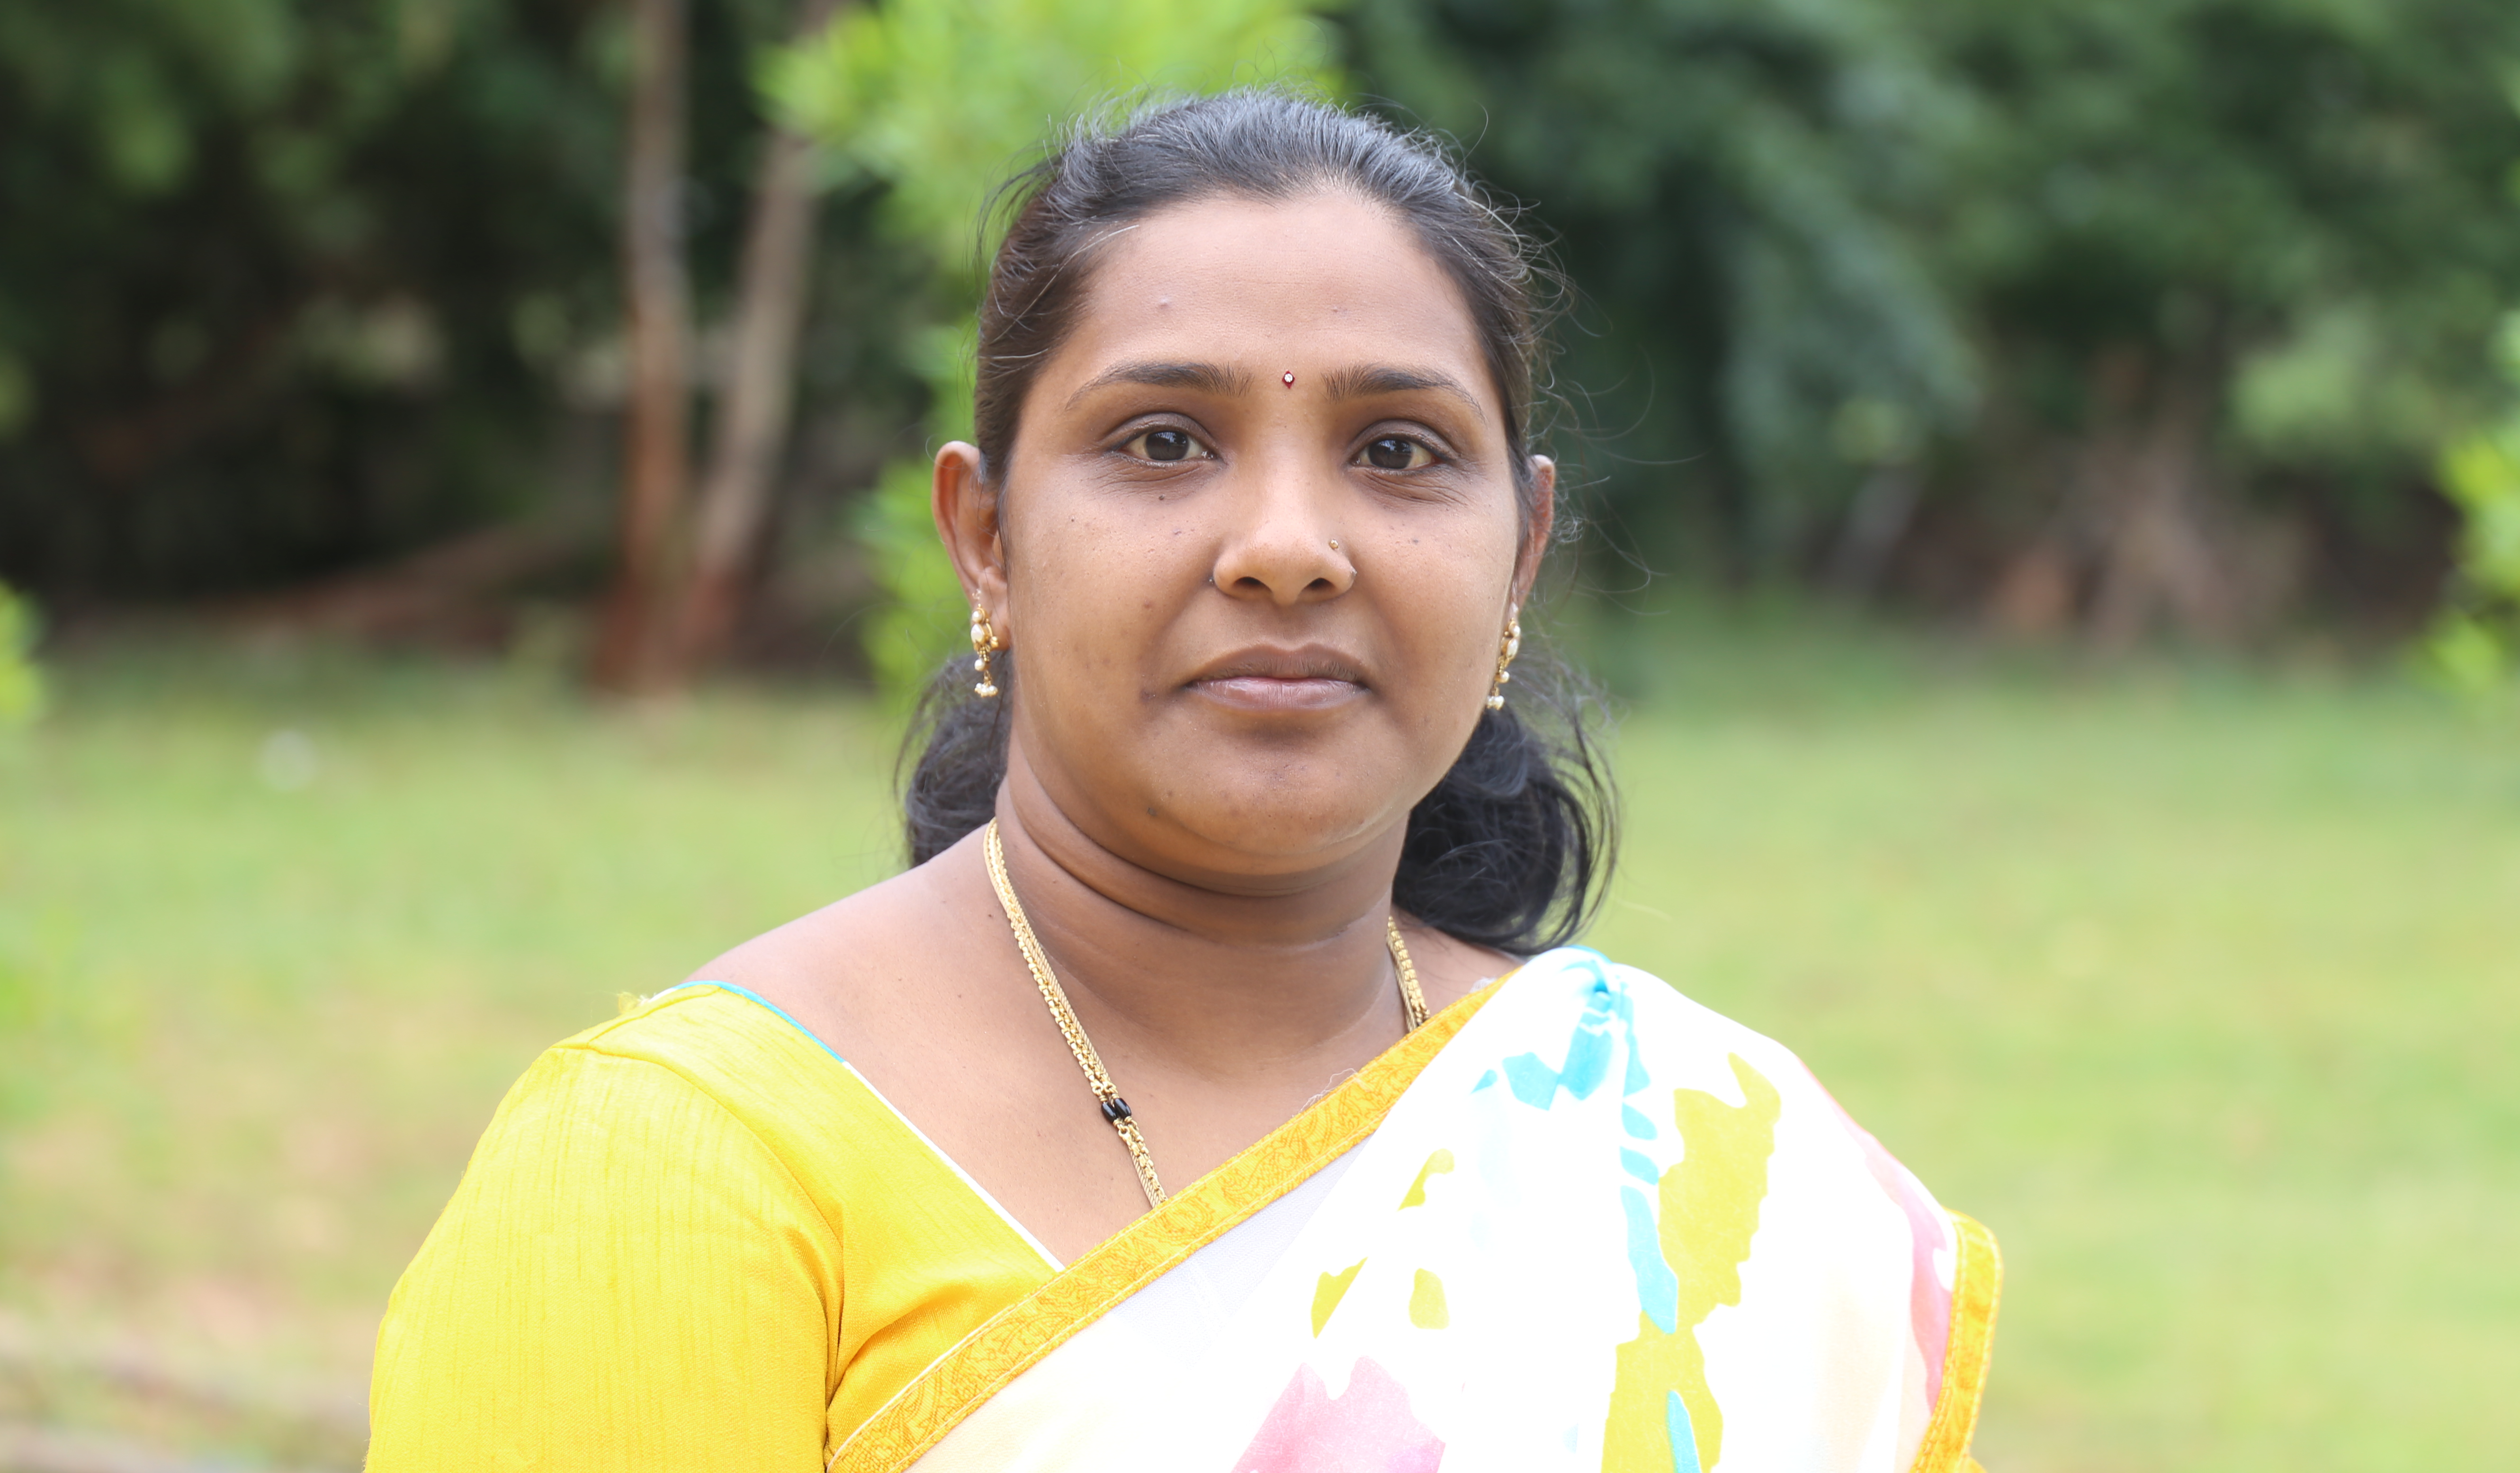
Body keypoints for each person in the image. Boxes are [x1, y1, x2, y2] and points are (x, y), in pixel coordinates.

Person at [365, 91, 1998, 1473]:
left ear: (1523, 552)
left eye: (1398, 451)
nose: (1288, 548)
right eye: (1162, 442)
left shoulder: (1705, 1173)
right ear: (987, 540)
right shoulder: (675, 1174)